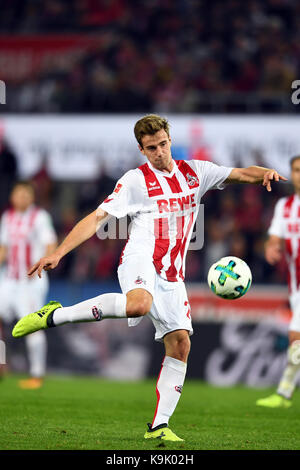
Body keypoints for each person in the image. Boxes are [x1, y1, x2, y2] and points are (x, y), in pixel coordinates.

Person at [12, 114, 286, 440]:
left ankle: (159, 426)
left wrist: (264, 174)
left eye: (162, 144)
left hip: (173, 274)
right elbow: (98, 217)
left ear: (170, 139)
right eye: (151, 148)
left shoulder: (196, 172)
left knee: (180, 343)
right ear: (142, 150)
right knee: (138, 305)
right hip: (140, 259)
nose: (159, 152)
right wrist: (58, 252)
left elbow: (240, 173)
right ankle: (54, 315)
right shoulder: (135, 181)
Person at [0, 181, 57, 389]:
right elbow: (3, 250)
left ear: (32, 197)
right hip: (9, 279)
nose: (22, 197)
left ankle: (37, 374)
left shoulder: (39, 217)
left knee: (32, 325)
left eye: (26, 194)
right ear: (12, 196)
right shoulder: (8, 218)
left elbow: (50, 243)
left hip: (31, 281)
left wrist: (45, 261)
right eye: (18, 193)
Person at [256, 155, 300, 408]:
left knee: (296, 336)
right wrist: (271, 248)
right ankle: (284, 392)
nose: (298, 174)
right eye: (295, 170)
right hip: (295, 283)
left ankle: (284, 392)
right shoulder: (285, 206)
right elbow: (274, 239)